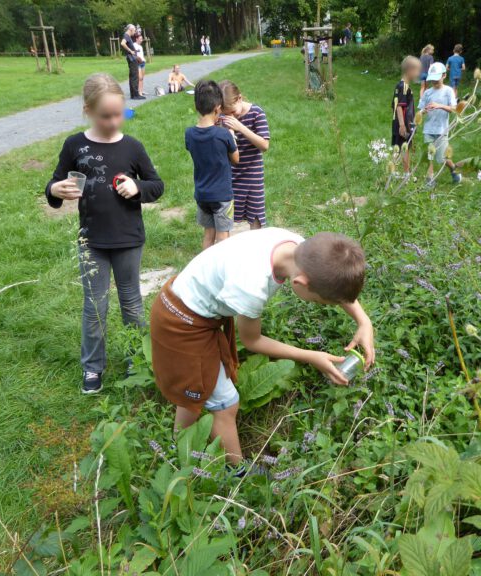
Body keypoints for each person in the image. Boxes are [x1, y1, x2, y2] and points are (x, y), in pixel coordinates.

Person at [149, 228, 375, 469]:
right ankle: (237, 473)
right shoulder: (251, 284)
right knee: (226, 404)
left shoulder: (301, 248)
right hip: (182, 323)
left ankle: (177, 445)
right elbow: (252, 341)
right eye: (318, 302)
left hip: (183, 301)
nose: (318, 305)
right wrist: (311, 356)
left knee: (196, 389)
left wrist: (364, 321)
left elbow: (334, 279)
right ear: (300, 283)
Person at [45, 73, 164, 394]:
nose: (113, 122)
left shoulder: (132, 147)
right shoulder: (74, 145)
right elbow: (55, 185)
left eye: (118, 114)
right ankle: (92, 367)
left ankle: (137, 360)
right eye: (105, 116)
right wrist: (55, 189)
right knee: (95, 307)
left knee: (132, 304)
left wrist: (137, 187)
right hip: (91, 241)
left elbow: (157, 186)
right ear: (88, 111)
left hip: (128, 240)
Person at [185, 80, 239, 250]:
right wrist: (231, 134)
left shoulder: (189, 134)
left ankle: (206, 264)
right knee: (223, 236)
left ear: (196, 106)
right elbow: (236, 159)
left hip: (202, 194)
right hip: (222, 196)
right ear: (217, 108)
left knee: (208, 234)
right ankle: (222, 265)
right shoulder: (223, 134)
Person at [218, 80, 271, 230]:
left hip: (253, 174)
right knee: (225, 214)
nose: (230, 117)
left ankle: (256, 242)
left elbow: (264, 145)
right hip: (230, 174)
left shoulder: (256, 113)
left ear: (239, 99)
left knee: (255, 214)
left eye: (233, 112)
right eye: (225, 114)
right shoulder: (221, 117)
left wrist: (240, 127)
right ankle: (225, 241)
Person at [418, 62, 462, 188]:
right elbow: (420, 110)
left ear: (444, 75)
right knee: (429, 156)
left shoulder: (448, 91)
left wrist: (439, 106)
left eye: (437, 79)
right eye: (432, 80)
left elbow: (454, 109)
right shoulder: (427, 92)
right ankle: (430, 180)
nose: (434, 82)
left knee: (442, 158)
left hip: (442, 130)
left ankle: (454, 171)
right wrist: (424, 111)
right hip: (428, 130)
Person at [392, 55, 422, 176]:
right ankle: (403, 173)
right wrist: (402, 125)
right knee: (403, 148)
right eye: (417, 71)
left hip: (400, 123)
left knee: (400, 147)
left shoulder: (401, 85)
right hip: (402, 124)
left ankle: (398, 172)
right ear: (410, 70)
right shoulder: (404, 87)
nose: (418, 74)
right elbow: (399, 106)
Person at [120, 24, 144, 100]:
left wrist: (134, 51)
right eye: (134, 30)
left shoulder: (127, 36)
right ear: (130, 29)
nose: (135, 31)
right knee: (135, 77)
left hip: (132, 58)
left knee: (132, 77)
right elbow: (122, 43)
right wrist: (130, 51)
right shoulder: (126, 35)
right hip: (132, 59)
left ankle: (133, 95)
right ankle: (136, 95)